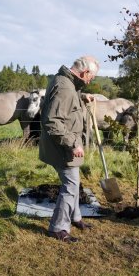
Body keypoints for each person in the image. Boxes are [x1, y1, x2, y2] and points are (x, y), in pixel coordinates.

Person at [39, 56, 99, 243]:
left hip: (61, 145)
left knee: (74, 182)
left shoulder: (64, 82)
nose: (91, 81)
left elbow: (65, 102)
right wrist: (73, 144)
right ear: (85, 73)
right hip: (63, 147)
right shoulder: (65, 87)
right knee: (70, 186)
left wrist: (81, 97)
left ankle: (75, 218)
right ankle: (58, 228)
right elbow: (53, 121)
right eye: (92, 77)